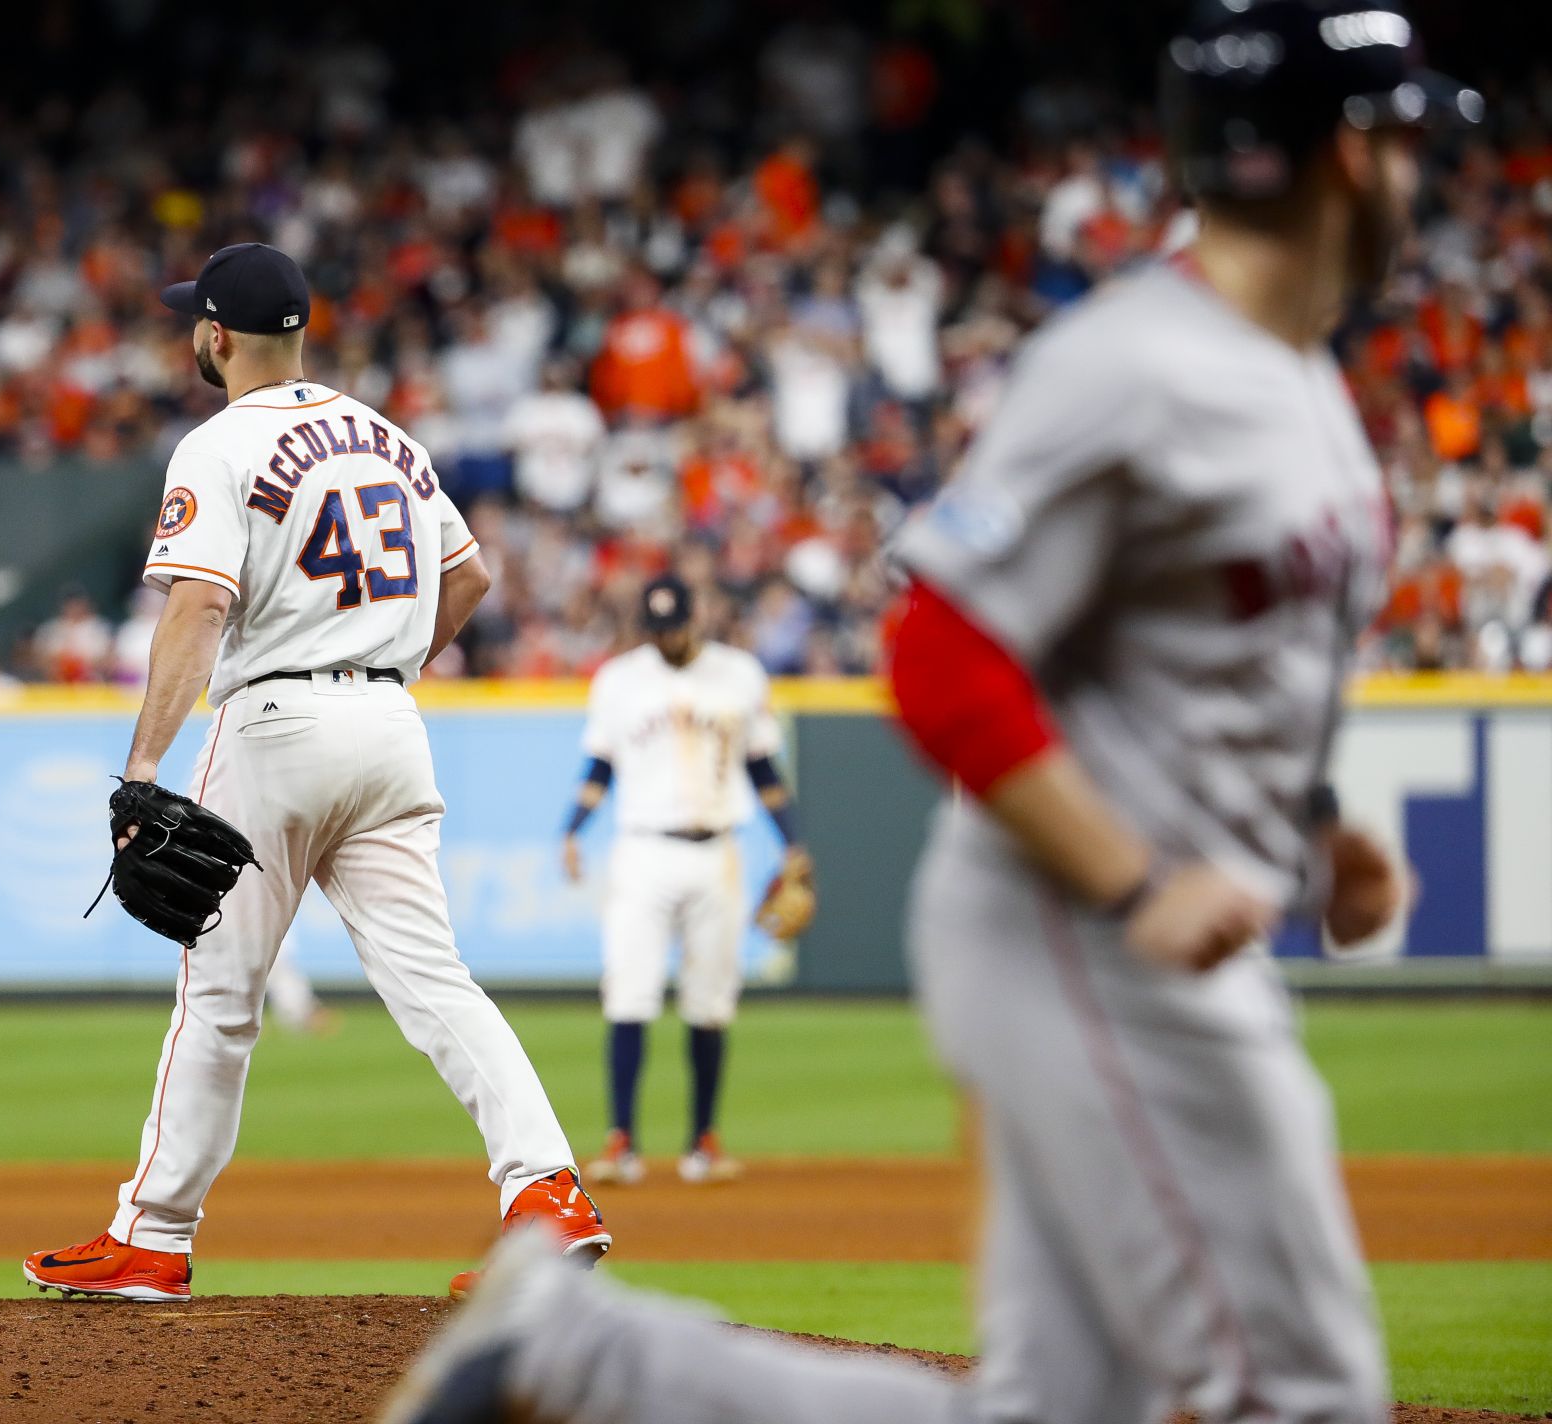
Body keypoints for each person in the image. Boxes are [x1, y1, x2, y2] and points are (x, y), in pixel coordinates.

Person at [382, 3, 1466, 1420]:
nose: (1415, 175)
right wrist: (1133, 879)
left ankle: (584, 1357)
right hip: (1086, 933)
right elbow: (942, 651)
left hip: (1137, 928)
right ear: (1323, 155)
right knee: (1304, 1393)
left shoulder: (1299, 380)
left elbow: (1208, 670)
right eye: (1392, 140)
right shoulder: (1135, 367)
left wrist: (1314, 829)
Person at [22, 243, 610, 1304]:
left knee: (221, 993)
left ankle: (152, 1235)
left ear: (212, 336)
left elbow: (198, 605)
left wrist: (142, 766)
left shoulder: (218, 443)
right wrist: (381, 665)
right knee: (435, 981)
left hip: (278, 722)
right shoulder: (386, 435)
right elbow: (469, 573)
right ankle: (549, 1188)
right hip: (389, 719)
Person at [561, 574, 807, 1186]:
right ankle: (622, 1143)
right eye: (655, 628)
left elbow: (763, 769)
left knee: (710, 1001)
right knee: (629, 996)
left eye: (673, 626)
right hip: (642, 850)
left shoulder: (740, 674)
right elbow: (600, 767)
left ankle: (702, 1142)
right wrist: (572, 828)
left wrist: (794, 841)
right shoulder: (619, 679)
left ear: (694, 618)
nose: (664, 638)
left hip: (717, 851)